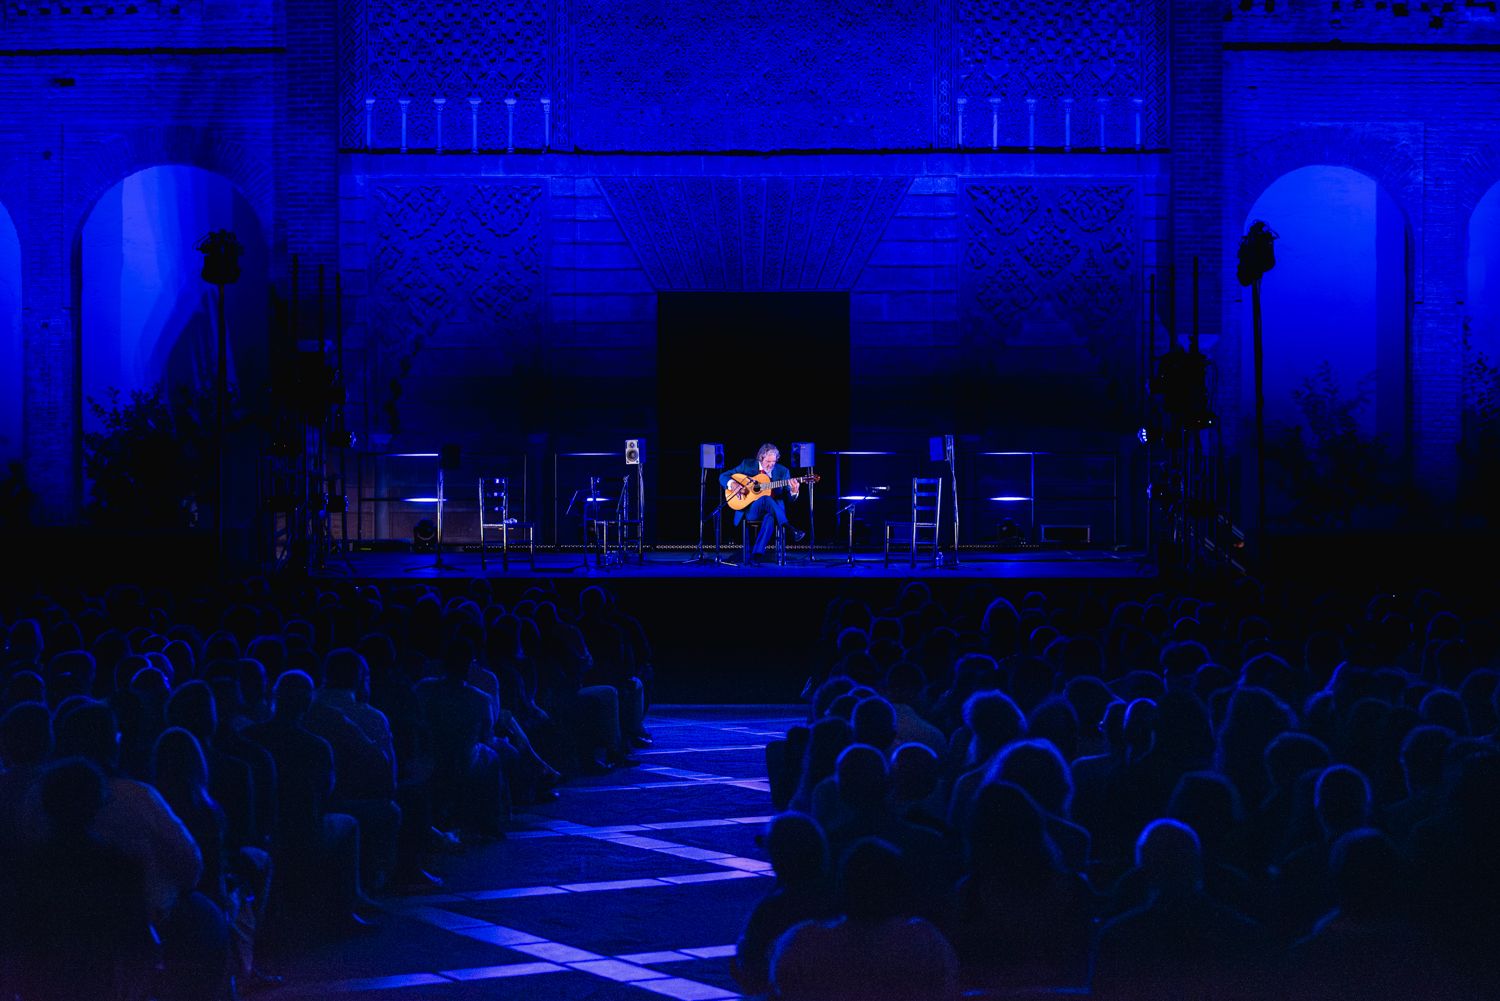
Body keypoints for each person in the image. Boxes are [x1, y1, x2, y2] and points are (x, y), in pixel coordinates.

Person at [719, 443, 807, 564]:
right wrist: (733, 484)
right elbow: (723, 476)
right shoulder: (747, 465)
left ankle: (757, 554)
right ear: (761, 458)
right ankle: (789, 527)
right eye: (768, 461)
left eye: (774, 462)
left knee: (770, 517)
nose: (771, 464)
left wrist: (794, 491)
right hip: (751, 510)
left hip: (772, 512)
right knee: (765, 498)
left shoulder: (782, 471)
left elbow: (789, 499)